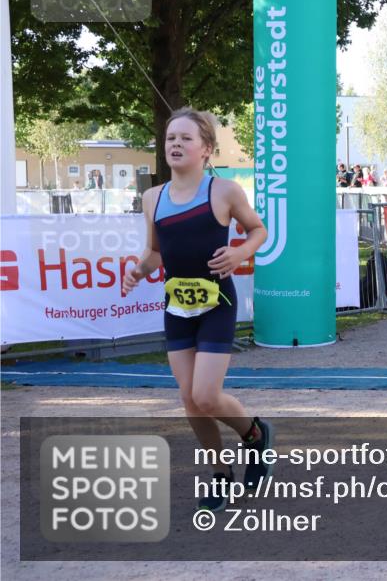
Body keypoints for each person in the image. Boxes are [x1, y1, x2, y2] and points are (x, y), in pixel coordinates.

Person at [122, 107, 272, 513]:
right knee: (190, 400)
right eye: (171, 138)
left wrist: (239, 251)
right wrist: (138, 271)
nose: (176, 144)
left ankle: (255, 434)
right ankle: (220, 474)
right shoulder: (152, 197)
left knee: (206, 395)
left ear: (206, 149)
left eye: (186, 138)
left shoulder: (223, 191)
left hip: (217, 303)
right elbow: (155, 252)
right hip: (177, 305)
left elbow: (259, 230)